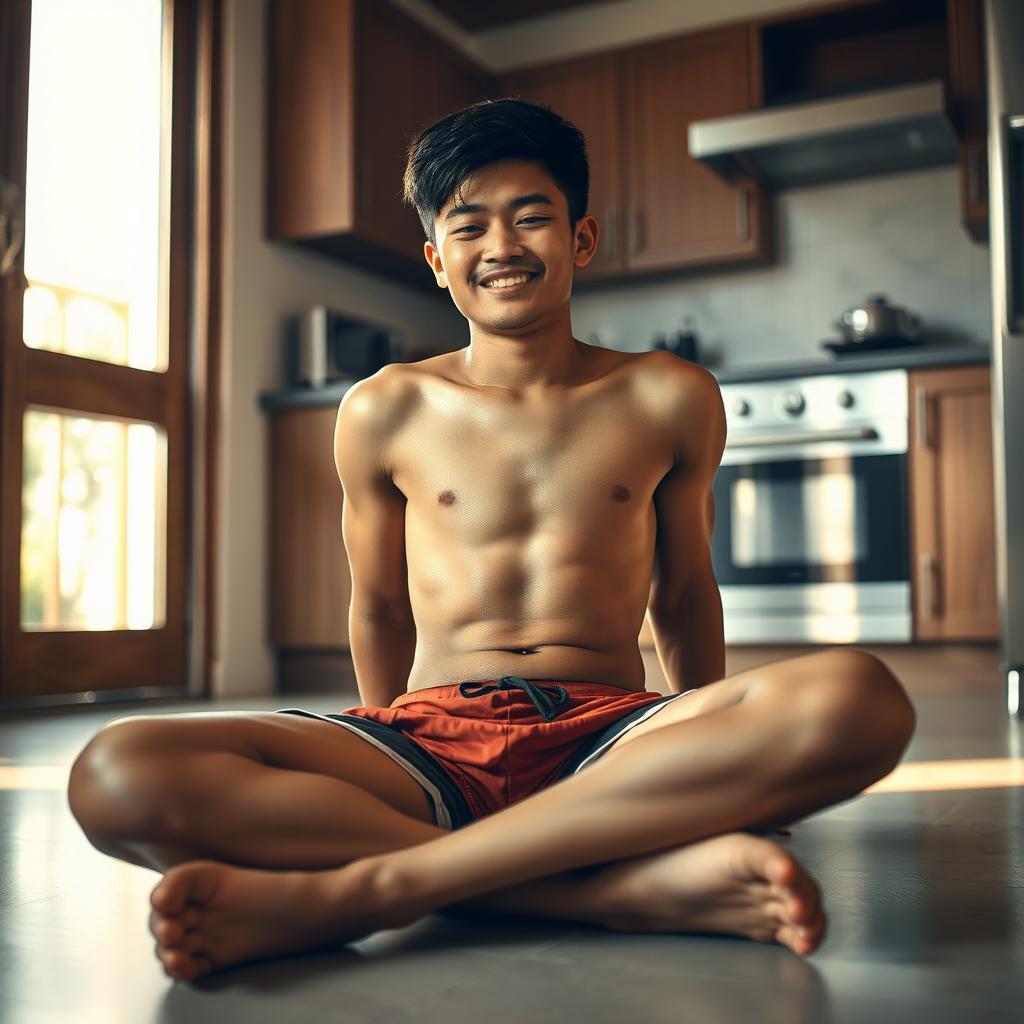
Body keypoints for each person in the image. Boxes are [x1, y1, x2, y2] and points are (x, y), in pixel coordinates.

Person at [67, 99, 916, 983]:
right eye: (469, 226)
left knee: (858, 698)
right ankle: (600, 892)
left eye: (533, 216)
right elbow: (382, 604)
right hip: (430, 735)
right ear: (438, 261)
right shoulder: (382, 408)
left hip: (614, 736)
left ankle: (371, 888)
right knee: (118, 772)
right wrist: (387, 731)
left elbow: (686, 594)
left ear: (582, 239)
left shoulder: (670, 394)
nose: (502, 246)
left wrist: (709, 773)